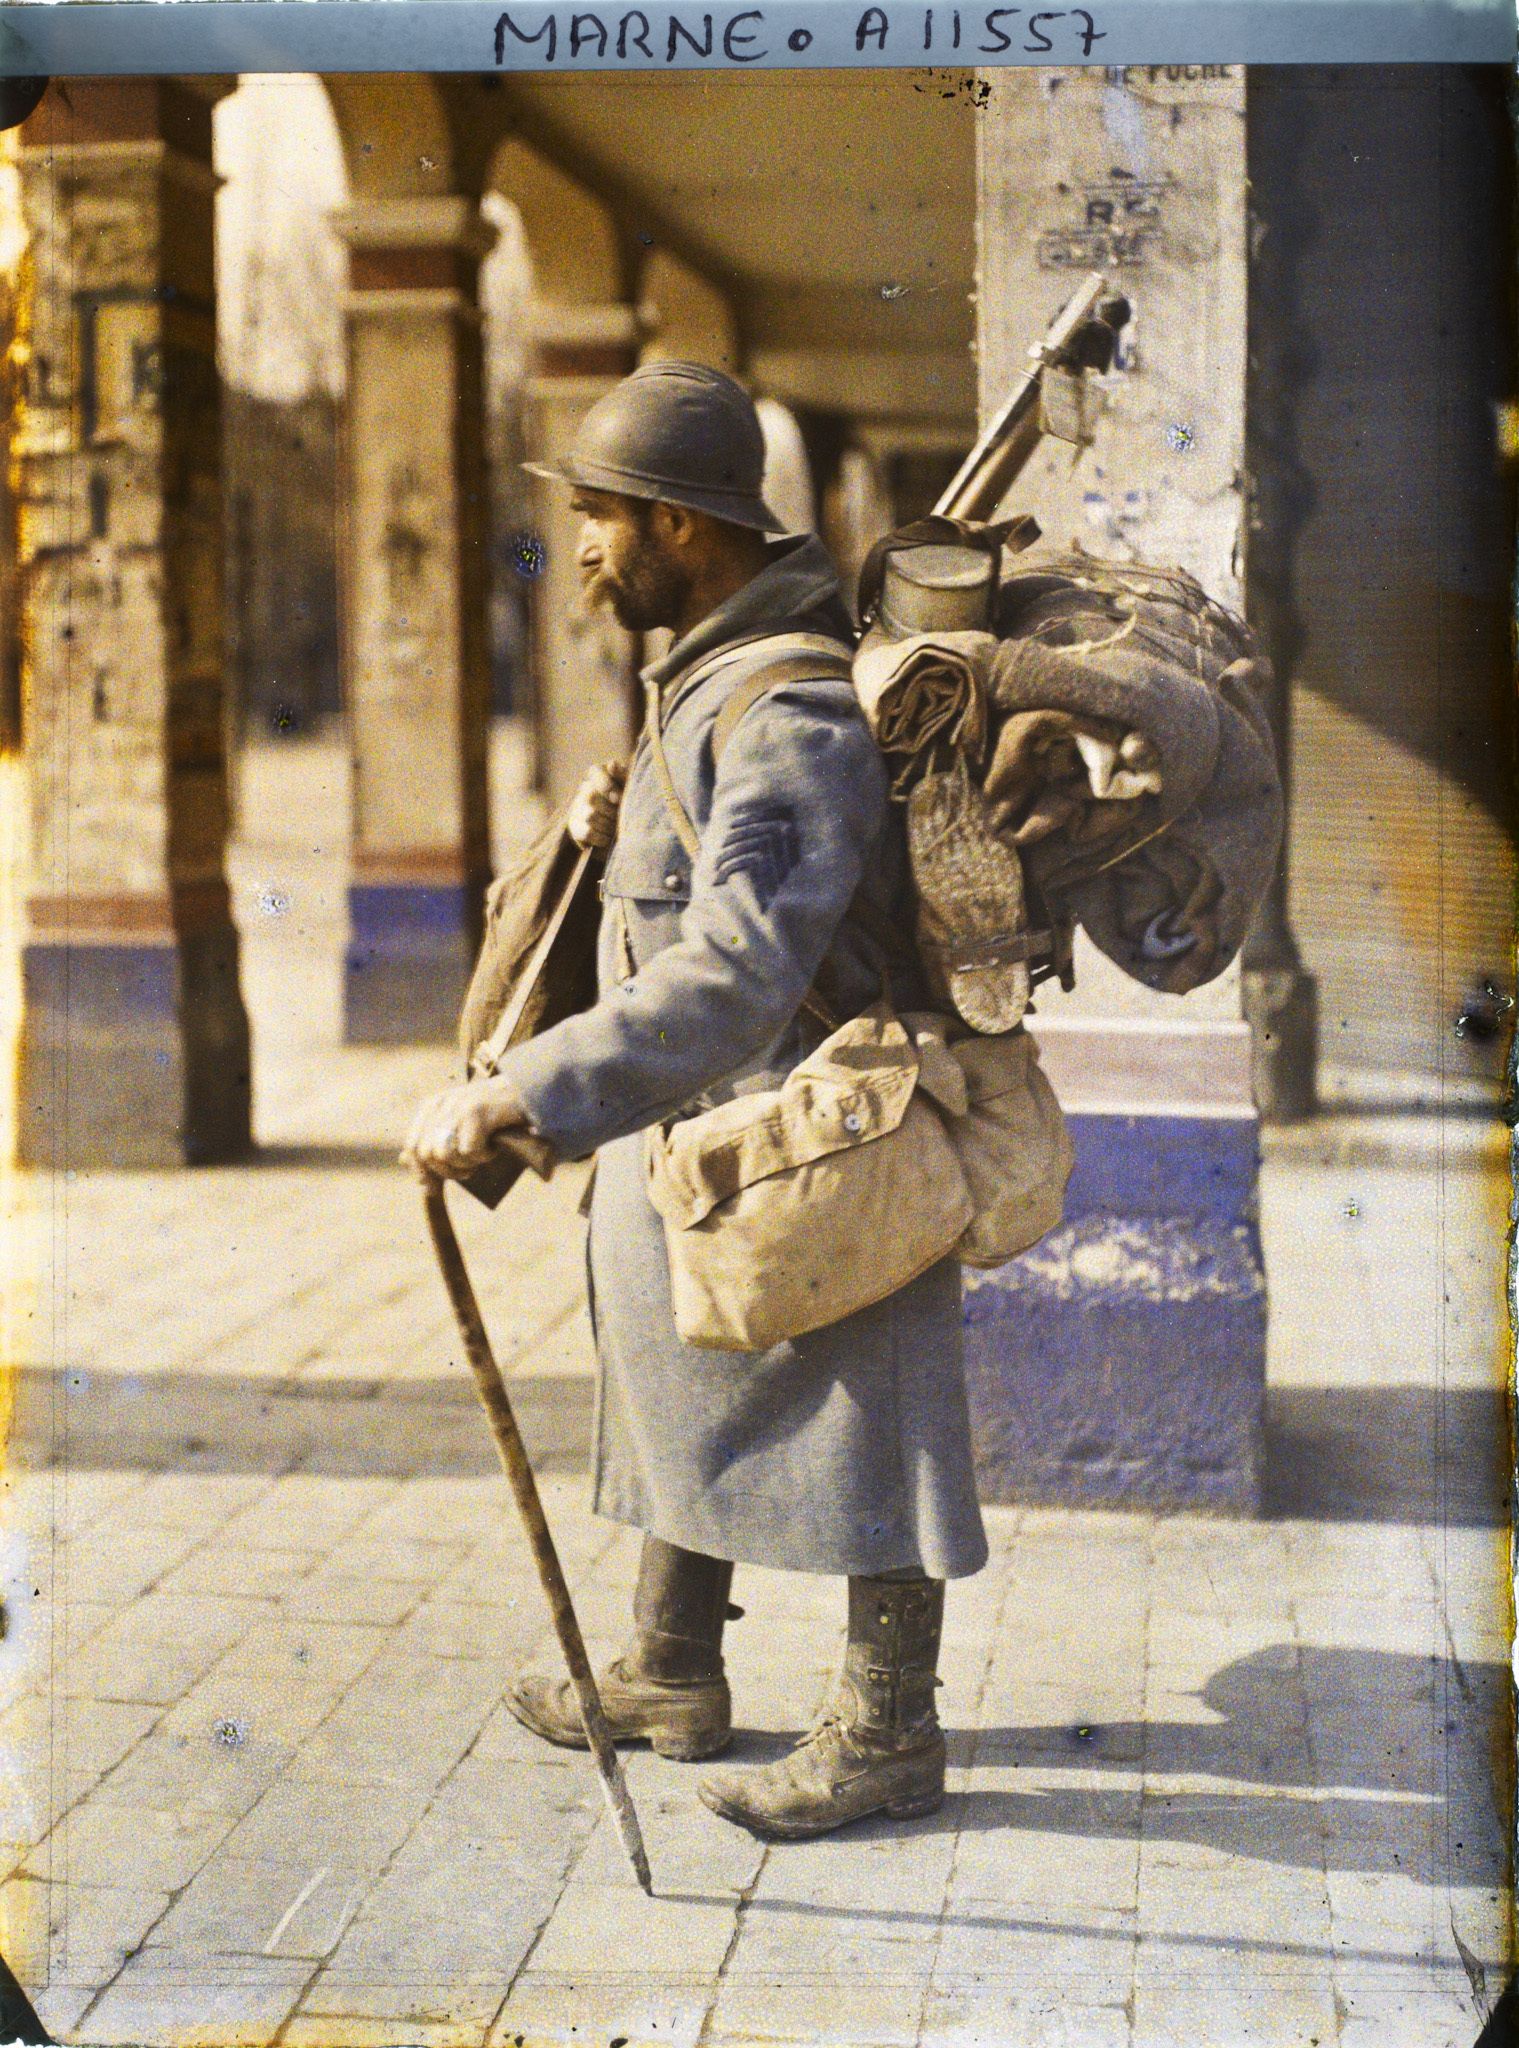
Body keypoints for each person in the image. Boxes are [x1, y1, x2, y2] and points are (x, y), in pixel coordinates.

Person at [403, 361, 988, 1838]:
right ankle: (672, 1665)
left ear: (683, 529)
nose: (582, 548)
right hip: (711, 1136)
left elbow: (735, 969)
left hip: (812, 1143)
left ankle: (888, 1728)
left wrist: (527, 1089)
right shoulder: (707, 683)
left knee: (874, 1415)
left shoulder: (785, 708)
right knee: (670, 1356)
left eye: (600, 517)